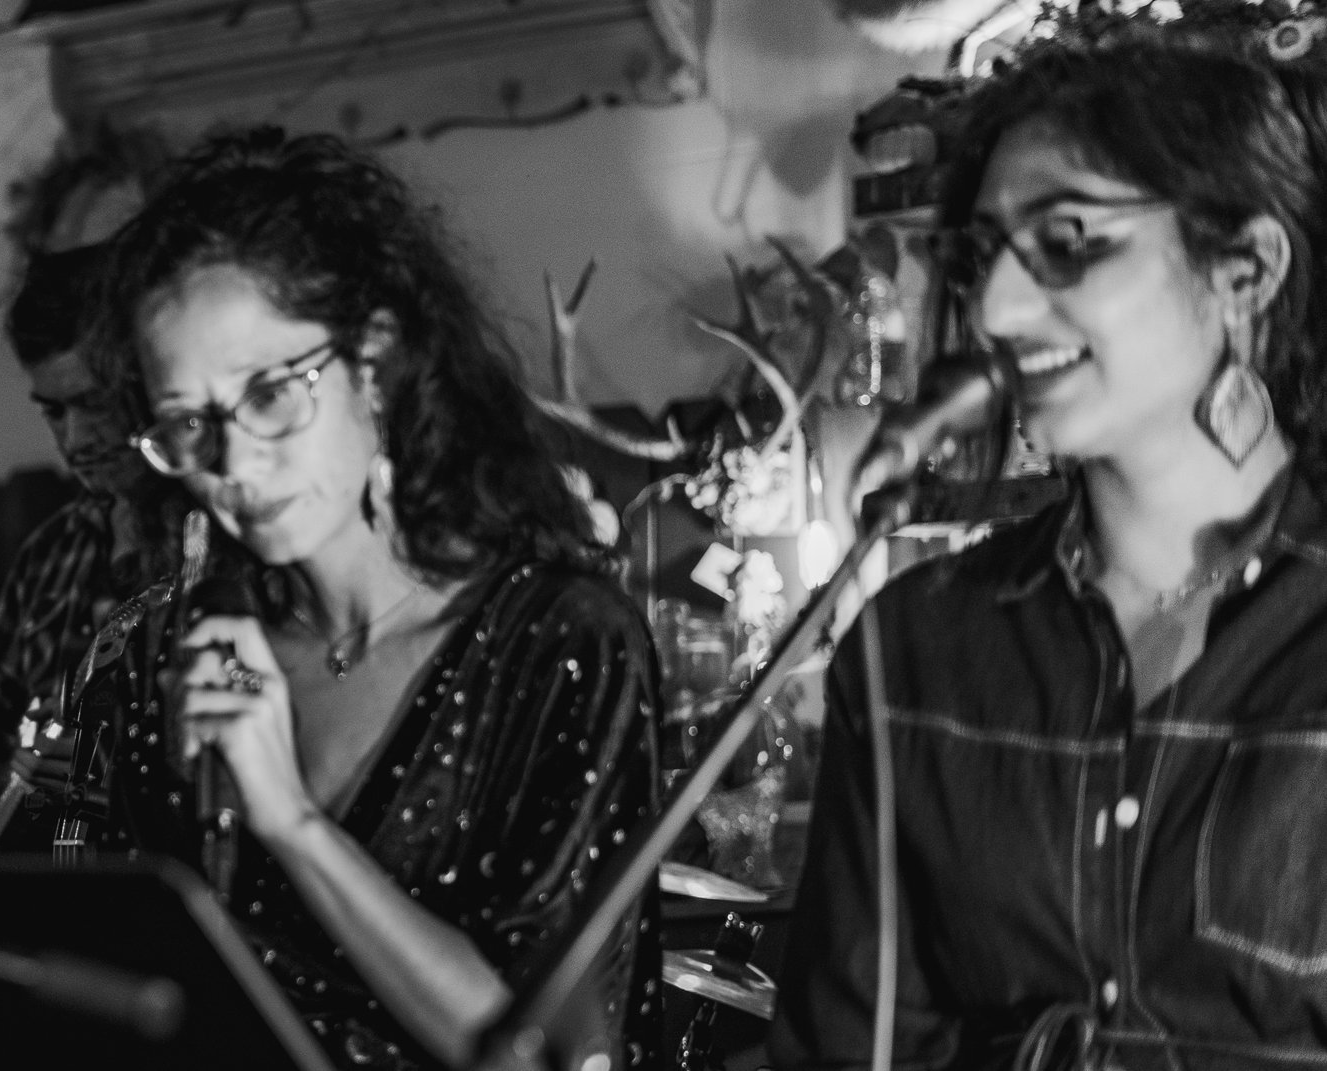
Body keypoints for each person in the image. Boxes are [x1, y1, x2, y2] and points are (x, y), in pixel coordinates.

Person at [772, 16, 1327, 1070]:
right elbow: (850, 1047)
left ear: (1244, 269)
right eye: (983, 255)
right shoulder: (916, 647)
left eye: (1070, 241)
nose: (995, 306)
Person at [81, 127, 660, 1071]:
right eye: (189, 423)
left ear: (376, 361)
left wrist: (292, 823)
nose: (232, 463)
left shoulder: (561, 642)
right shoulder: (175, 653)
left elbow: (542, 1058)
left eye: (270, 392)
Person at [0, 243, 166, 863]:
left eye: (95, 403)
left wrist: (116, 774)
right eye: (55, 412)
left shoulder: (218, 548)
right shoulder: (53, 550)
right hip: (40, 904)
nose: (76, 440)